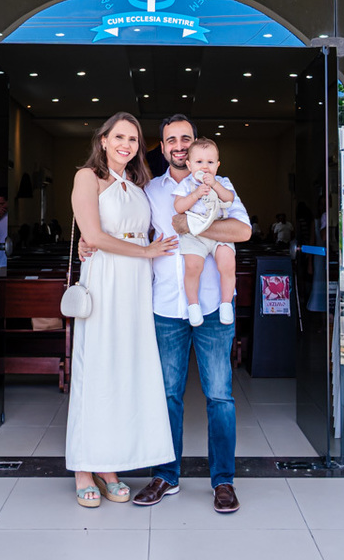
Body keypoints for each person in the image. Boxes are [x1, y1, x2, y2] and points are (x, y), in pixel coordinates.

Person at [136, 114, 251, 514]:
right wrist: (91, 246)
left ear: (198, 144)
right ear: (163, 146)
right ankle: (166, 475)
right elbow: (131, 235)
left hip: (215, 308)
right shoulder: (150, 190)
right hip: (167, 304)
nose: (180, 145)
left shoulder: (221, 184)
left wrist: (192, 227)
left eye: (187, 138)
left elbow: (241, 232)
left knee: (219, 395)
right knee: (168, 394)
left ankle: (223, 481)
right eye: (172, 140)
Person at [65, 112, 178, 508]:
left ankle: (109, 465)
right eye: (119, 137)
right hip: (106, 279)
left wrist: (148, 252)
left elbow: (140, 230)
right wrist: (144, 250)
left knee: (124, 372)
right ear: (104, 140)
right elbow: (92, 235)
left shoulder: (135, 184)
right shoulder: (87, 177)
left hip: (134, 283)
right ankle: (84, 466)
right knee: (96, 368)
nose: (127, 144)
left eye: (133, 138)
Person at [172, 138, 238, 327]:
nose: (205, 167)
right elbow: (178, 207)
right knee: (193, 267)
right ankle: (193, 305)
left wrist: (215, 186)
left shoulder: (223, 182)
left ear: (217, 165)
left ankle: (226, 303)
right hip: (194, 233)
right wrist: (196, 194)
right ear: (189, 165)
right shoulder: (186, 184)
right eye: (199, 162)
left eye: (210, 162)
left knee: (227, 263)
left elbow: (229, 199)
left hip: (219, 231)